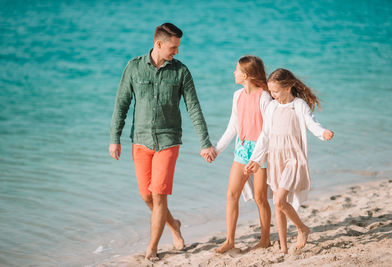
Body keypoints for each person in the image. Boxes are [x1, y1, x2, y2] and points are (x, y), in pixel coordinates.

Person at [109, 23, 217, 260]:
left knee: (159, 194)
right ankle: (174, 225)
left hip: (169, 140)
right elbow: (121, 104)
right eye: (173, 46)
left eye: (178, 47)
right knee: (146, 196)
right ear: (158, 44)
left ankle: (152, 248)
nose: (177, 51)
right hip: (140, 140)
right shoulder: (134, 67)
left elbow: (194, 108)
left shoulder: (181, 72)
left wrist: (205, 142)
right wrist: (114, 138)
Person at [244, 68, 334, 254]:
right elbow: (265, 135)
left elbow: (311, 123)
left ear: (289, 86)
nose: (273, 95)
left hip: (293, 158)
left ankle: (302, 229)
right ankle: (283, 247)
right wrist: (256, 159)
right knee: (279, 205)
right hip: (276, 159)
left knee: (278, 200)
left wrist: (322, 133)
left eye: (276, 91)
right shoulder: (272, 107)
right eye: (271, 91)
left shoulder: (298, 105)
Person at [213, 56, 272, 253]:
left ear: (245, 75)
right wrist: (217, 149)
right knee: (231, 194)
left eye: (236, 70)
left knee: (260, 197)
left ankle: (265, 240)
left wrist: (256, 158)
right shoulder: (237, 95)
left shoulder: (264, 97)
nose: (234, 73)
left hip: (261, 152)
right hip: (242, 149)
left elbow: (267, 132)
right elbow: (233, 126)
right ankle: (230, 241)